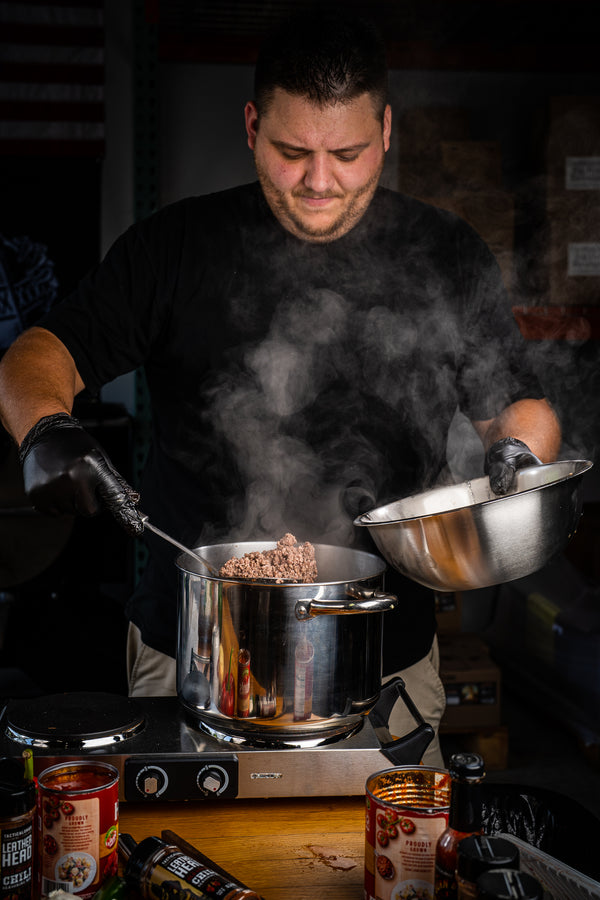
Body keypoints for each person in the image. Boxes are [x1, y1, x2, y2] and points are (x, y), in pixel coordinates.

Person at [0, 11, 560, 767]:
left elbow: (516, 404)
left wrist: (519, 453)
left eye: (348, 153)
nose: (319, 182)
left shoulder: (446, 253)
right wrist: (44, 430)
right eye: (293, 152)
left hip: (385, 663)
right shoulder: (174, 248)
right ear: (253, 125)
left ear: (387, 131)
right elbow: (39, 353)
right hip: (194, 658)